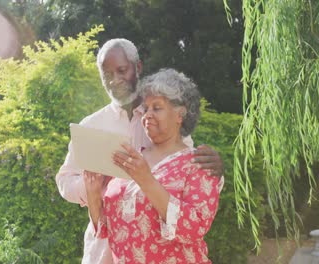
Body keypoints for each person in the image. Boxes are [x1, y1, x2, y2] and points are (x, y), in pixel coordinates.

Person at [55, 39, 224, 264]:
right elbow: (65, 180)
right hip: (105, 249)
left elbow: (192, 180)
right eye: (107, 74)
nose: (115, 80)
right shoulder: (90, 125)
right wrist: (92, 187)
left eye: (122, 70)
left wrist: (216, 170)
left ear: (138, 67)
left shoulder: (166, 125)